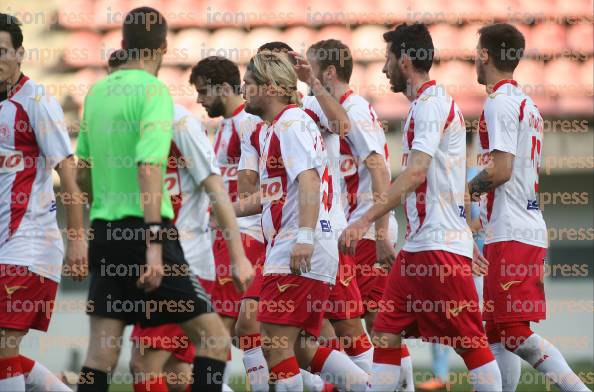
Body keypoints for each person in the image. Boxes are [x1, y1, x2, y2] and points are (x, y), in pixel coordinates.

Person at [73, 7, 253, 392]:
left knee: (101, 357)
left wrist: (101, 213)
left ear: (122, 43)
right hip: (147, 236)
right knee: (214, 340)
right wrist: (154, 244)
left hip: (104, 235)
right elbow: (148, 168)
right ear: (163, 47)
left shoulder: (96, 93)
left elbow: (81, 172)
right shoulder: (155, 92)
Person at [339, 23, 502, 391]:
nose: (384, 69)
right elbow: (447, 180)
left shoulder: (430, 105)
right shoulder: (427, 106)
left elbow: (415, 174)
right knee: (385, 331)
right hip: (420, 246)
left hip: (436, 249)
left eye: (388, 59)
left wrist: (363, 219)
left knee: (471, 344)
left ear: (406, 60)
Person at [236, 50, 369, 391]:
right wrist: (221, 208)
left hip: (299, 241)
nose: (242, 90)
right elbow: (274, 194)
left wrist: (304, 237)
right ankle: (368, 387)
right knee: (299, 345)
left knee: (274, 342)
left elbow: (309, 180)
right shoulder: (277, 127)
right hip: (295, 241)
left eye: (248, 84)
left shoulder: (291, 123)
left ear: (268, 87)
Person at [470, 22, 591, 392]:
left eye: (477, 53)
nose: (475, 60)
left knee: (513, 330)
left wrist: (466, 191)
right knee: (496, 330)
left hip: (512, 229)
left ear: (486, 55)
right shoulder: (526, 104)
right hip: (514, 225)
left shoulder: (501, 102)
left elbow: (502, 170)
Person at [301, 38, 415, 388]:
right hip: (354, 230)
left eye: (311, 69)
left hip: (367, 231)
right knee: (354, 325)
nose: (307, 79)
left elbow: (380, 170)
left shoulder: (355, 110)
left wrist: (381, 234)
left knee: (379, 326)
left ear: (329, 72)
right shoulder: (335, 109)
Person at [0, 12, 84, 392]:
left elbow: (67, 173)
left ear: (20, 53)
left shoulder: (36, 102)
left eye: (3, 51)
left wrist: (78, 241)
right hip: (5, 247)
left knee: (4, 346)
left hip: (28, 244)